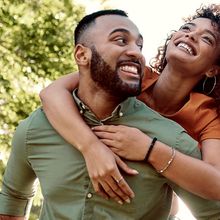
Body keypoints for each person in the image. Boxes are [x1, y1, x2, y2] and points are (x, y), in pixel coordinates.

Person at [1, 8, 219, 220]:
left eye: (207, 39)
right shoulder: (133, 75)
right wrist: (91, 147)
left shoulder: (206, 117)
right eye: (187, 28)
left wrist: (150, 149)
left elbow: (216, 186)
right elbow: (52, 92)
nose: (191, 35)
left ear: (213, 69)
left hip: (168, 180)